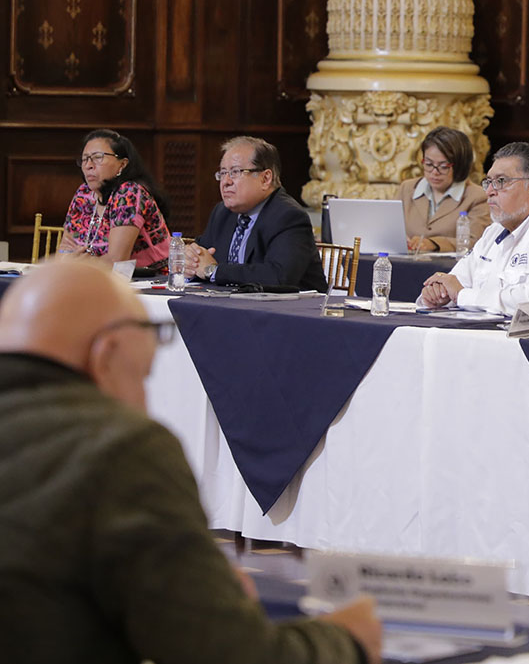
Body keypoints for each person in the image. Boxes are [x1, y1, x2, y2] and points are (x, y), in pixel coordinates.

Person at [0, 259, 381, 663]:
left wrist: (196, 586)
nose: (143, 404)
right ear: (105, 356)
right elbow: (223, 653)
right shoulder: (120, 451)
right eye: (142, 376)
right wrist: (346, 642)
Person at [420, 142, 529, 314]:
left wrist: (462, 295)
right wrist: (438, 293)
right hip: (492, 330)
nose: (489, 191)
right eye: (488, 181)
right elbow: (455, 282)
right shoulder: (495, 230)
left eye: (501, 181)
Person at [186, 136, 327, 292]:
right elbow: (202, 257)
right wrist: (190, 261)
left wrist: (213, 271)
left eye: (235, 172)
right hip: (234, 303)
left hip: (294, 306)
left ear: (265, 179)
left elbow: (278, 277)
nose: (225, 182)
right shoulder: (222, 213)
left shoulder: (289, 216)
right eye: (223, 173)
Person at [61, 129, 172, 269]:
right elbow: (64, 250)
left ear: (122, 164)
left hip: (150, 278)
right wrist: (68, 260)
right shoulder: (84, 194)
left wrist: (77, 263)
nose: (88, 165)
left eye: (98, 157)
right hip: (94, 275)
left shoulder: (129, 193)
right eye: (85, 159)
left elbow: (116, 260)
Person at [399, 126, 491, 253]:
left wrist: (434, 244)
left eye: (443, 166)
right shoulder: (407, 189)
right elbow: (389, 229)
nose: (434, 172)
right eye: (429, 164)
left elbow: (476, 242)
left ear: (460, 165)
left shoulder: (478, 197)